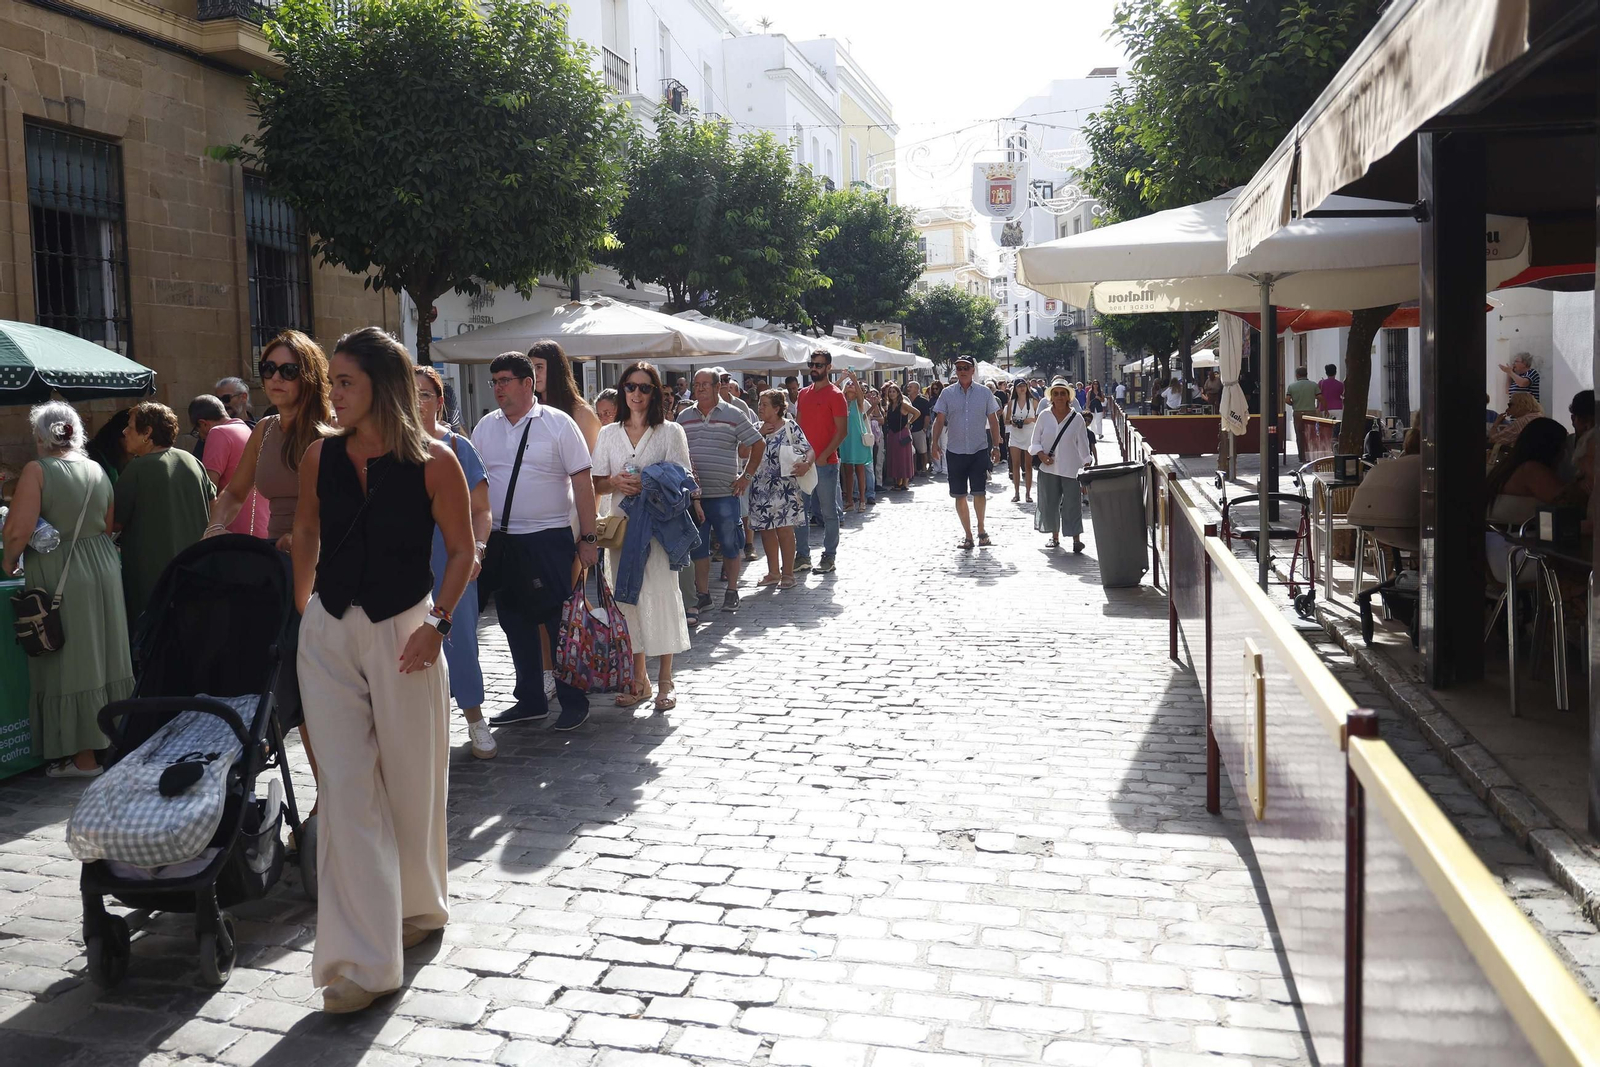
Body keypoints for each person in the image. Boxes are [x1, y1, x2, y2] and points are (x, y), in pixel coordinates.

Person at [291, 326, 474, 1014]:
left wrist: (439, 625)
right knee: (344, 790)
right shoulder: (317, 455)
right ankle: (364, 962)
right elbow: (306, 527)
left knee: (412, 781)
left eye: (345, 382)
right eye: (331, 381)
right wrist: (302, 605)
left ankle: (420, 903)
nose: (332, 393)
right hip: (329, 630)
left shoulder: (436, 461)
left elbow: (462, 552)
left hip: (408, 629)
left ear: (381, 386)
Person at [205, 330, 333, 821]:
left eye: (287, 370)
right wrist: (216, 525)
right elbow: (236, 492)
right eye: (267, 369)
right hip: (273, 567)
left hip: (318, 567)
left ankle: (330, 799)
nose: (275, 379)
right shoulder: (264, 429)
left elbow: (343, 505)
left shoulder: (328, 431)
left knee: (315, 690)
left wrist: (304, 539)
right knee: (278, 686)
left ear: (309, 375)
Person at [1, 403, 134, 778]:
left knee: (70, 662)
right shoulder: (95, 469)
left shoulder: (37, 470)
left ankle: (82, 758)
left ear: (40, 436)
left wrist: (9, 560)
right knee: (106, 657)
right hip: (103, 566)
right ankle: (111, 741)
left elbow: (18, 529)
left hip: (62, 568)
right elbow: (107, 524)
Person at [473, 352, 598, 730]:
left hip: (548, 538)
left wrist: (589, 537)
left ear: (528, 383)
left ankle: (574, 699)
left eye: (505, 380)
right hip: (501, 541)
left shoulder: (558, 423)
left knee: (558, 622)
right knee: (513, 621)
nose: (498, 388)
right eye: (494, 381)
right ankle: (529, 700)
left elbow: (583, 482)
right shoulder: (485, 427)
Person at [592, 362, 693, 712]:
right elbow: (596, 481)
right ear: (623, 390)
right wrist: (615, 483)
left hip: (658, 526)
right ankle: (639, 679)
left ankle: (666, 679)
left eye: (645, 387)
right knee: (626, 601)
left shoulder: (670, 432)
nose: (637, 393)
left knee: (662, 595)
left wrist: (649, 481)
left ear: (655, 393)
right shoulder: (608, 434)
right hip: (621, 527)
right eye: (631, 387)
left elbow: (684, 477)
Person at [416, 365, 496, 760]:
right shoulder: (388, 448)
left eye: (425, 394)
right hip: (405, 564)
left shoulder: (458, 447)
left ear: (439, 401)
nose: (417, 402)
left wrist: (478, 549)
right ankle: (423, 730)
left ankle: (475, 718)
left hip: (453, 559)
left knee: (459, 640)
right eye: (409, 394)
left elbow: (482, 510)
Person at [529, 340, 600, 701]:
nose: (534, 374)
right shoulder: (530, 412)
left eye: (540, 367)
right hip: (537, 525)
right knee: (540, 606)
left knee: (569, 601)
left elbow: (592, 477)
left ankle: (574, 667)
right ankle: (547, 670)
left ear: (555, 369)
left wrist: (589, 531)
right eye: (531, 367)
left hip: (573, 523)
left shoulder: (580, 413)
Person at [115, 402, 217, 631]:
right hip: (194, 571)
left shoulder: (137, 469)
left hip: (152, 578)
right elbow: (215, 505)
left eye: (130, 426)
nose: (125, 432)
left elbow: (113, 521)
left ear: (147, 432)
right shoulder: (192, 461)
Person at [679, 368, 764, 612]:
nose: (701, 388)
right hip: (694, 497)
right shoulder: (683, 417)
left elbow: (758, 443)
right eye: (697, 384)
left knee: (730, 544)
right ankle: (703, 594)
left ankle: (732, 590)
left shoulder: (734, 414)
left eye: (706, 384)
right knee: (699, 548)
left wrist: (746, 476)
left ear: (718, 387)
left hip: (725, 494)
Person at [929, 356, 1003, 550]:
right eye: (959, 368)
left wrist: (996, 446)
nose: (962, 371)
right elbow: (939, 420)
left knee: (979, 492)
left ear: (973, 370)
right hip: (955, 450)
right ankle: (968, 535)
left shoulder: (985, 393)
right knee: (959, 494)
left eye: (966, 367)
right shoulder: (947, 393)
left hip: (979, 449)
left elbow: (994, 421)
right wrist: (934, 442)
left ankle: (981, 530)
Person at [747, 388, 811, 590]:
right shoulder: (755, 427)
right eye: (759, 403)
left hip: (785, 488)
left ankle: (788, 573)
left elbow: (808, 448)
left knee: (784, 530)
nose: (760, 407)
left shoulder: (790, 427)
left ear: (776, 408)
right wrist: (757, 435)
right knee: (766, 531)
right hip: (761, 487)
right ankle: (773, 572)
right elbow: (741, 451)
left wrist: (806, 464)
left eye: (764, 404)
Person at [793, 350, 849, 574]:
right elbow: (798, 428)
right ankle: (803, 555)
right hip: (804, 462)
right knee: (800, 511)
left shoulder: (836, 395)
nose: (814, 368)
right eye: (811, 364)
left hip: (826, 463)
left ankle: (829, 555)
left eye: (818, 365)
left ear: (829, 367)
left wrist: (825, 454)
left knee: (828, 512)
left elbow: (841, 431)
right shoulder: (803, 394)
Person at [1031, 379, 1098, 552]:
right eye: (1056, 393)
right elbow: (1035, 440)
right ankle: (1054, 537)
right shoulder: (1044, 416)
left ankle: (1076, 539)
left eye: (1063, 393)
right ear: (1051, 397)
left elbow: (1083, 445)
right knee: (1051, 502)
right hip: (1048, 468)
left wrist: (1087, 466)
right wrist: (1042, 455)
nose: (1059, 397)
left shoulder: (1077, 419)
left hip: (1071, 468)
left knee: (1072, 504)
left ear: (1068, 396)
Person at [190, 394, 268, 537]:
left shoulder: (217, 433)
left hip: (233, 529)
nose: (200, 436)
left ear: (204, 423)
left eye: (197, 431)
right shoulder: (245, 428)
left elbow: (208, 490)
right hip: (260, 525)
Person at [1486, 417, 1570, 526]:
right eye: (1563, 448)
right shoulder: (1531, 471)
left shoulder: (1506, 466)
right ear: (1552, 447)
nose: (1565, 454)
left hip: (1499, 537)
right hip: (1521, 538)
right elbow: (1571, 506)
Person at [838, 376, 873, 513]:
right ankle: (850, 501)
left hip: (858, 438)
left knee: (860, 470)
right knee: (847, 471)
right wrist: (843, 386)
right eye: (849, 384)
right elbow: (835, 397)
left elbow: (860, 395)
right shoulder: (842, 401)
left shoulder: (859, 402)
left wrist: (853, 378)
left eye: (854, 384)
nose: (851, 385)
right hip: (845, 439)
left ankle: (862, 500)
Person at [1004, 379, 1038, 504]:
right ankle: (1016, 492)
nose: (1022, 388)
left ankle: (1028, 493)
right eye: (1019, 386)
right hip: (1016, 435)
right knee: (1015, 465)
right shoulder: (1011, 403)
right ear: (1015, 389)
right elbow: (1006, 421)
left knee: (1028, 465)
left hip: (1029, 434)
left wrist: (1030, 420)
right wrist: (1013, 422)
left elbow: (1038, 418)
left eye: (1024, 386)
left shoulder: (1033, 401)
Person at [1560, 389, 1594, 491]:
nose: (1589, 427)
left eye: (1595, 422)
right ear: (1573, 419)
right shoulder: (1561, 446)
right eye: (1584, 421)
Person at [1285, 366, 1320, 459]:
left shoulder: (1292, 386)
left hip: (1298, 412)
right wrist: (1320, 407)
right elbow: (1320, 398)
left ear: (1297, 375)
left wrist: (1293, 404)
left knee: (1299, 434)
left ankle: (1302, 456)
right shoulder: (1313, 385)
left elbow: (1287, 400)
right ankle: (1311, 454)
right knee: (1311, 434)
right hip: (1311, 413)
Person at [907, 380, 932, 475]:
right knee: (912, 451)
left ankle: (924, 468)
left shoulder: (923, 401)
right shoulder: (905, 400)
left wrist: (924, 428)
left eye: (911, 387)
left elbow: (927, 416)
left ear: (917, 389)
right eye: (908, 387)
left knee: (922, 450)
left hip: (919, 428)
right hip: (908, 429)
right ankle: (914, 470)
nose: (908, 388)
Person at [925, 380, 947, 475]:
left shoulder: (945, 398)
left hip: (945, 424)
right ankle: (937, 466)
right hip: (934, 423)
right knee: (934, 445)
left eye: (936, 388)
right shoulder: (931, 400)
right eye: (932, 389)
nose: (934, 390)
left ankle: (945, 467)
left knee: (944, 446)